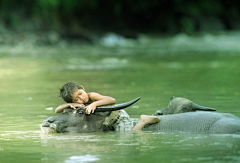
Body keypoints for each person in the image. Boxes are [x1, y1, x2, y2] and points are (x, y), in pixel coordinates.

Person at [55, 81, 160, 130]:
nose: (81, 98)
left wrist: (95, 104)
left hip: (117, 117)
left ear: (83, 88)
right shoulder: (76, 104)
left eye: (80, 94)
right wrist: (69, 104)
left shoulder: (92, 96)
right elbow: (57, 110)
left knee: (128, 134)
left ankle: (143, 121)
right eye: (76, 99)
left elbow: (112, 100)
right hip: (106, 121)